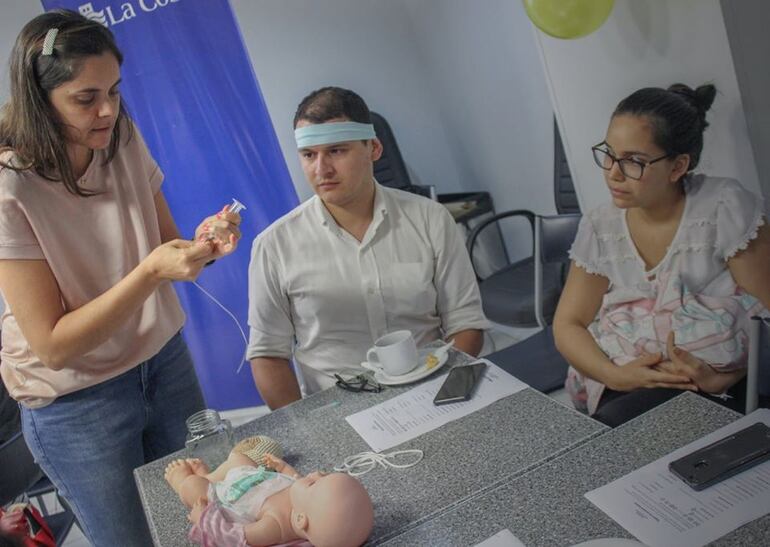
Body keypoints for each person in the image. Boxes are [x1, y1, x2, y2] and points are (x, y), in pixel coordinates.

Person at [0, 11, 241, 545]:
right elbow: (54, 345)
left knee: (209, 522)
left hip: (163, 362)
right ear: (41, 99)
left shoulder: (121, 134)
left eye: (113, 90)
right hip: (77, 400)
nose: (107, 110)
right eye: (85, 99)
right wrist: (153, 270)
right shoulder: (10, 187)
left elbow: (165, 247)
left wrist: (205, 245)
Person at [247, 86, 489, 408]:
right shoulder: (274, 245)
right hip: (335, 409)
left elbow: (466, 322)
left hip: (433, 390)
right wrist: (306, 427)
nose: (321, 170)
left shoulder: (430, 219)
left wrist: (442, 393)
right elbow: (267, 355)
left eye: (336, 151)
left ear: (373, 148)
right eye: (309, 155)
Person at [554, 83, 769, 427]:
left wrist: (724, 377)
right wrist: (613, 375)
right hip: (627, 377)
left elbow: (766, 317)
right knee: (610, 434)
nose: (613, 172)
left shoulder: (721, 208)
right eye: (609, 153)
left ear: (677, 166)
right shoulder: (601, 225)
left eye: (634, 161)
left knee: (630, 433)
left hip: (711, 380)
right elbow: (568, 324)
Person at [164, 451, 374, 547]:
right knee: (240, 457)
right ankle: (210, 475)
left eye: (315, 482)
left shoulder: (274, 527)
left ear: (301, 520)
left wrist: (204, 519)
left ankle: (187, 479)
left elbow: (232, 537)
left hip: (229, 495)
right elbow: (296, 481)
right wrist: (283, 468)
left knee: (193, 489)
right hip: (253, 478)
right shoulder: (304, 504)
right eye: (325, 474)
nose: (317, 473)